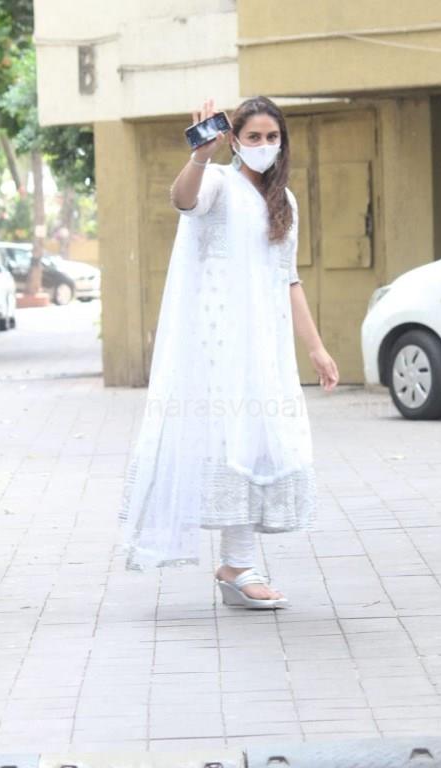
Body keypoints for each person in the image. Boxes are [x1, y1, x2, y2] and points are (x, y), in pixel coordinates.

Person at [118, 95, 339, 609]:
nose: (264, 145)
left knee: (258, 443)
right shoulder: (217, 182)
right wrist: (200, 155)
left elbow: (289, 279)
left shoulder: (286, 202)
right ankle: (238, 566)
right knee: (227, 441)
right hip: (217, 343)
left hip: (264, 344)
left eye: (272, 137)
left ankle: (235, 564)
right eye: (253, 136)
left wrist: (317, 348)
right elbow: (182, 200)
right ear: (234, 140)